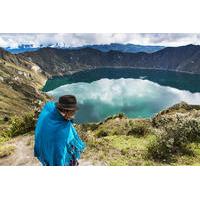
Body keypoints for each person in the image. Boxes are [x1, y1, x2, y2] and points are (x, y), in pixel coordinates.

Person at [34, 95, 86, 166]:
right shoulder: (59, 132)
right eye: (73, 111)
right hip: (63, 160)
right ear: (65, 111)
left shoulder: (53, 113)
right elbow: (59, 155)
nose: (74, 113)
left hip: (51, 152)